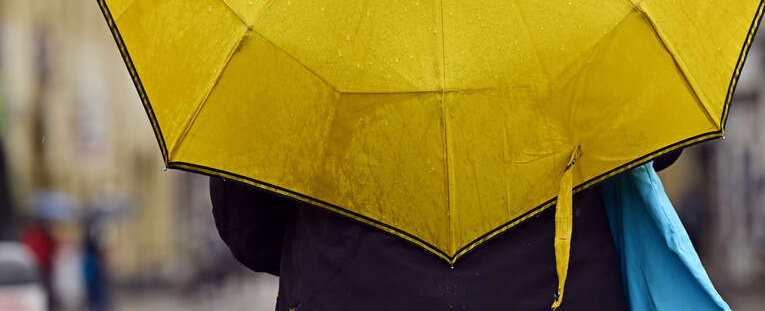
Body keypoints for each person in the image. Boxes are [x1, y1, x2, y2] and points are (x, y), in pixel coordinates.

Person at [210, 151, 681, 311]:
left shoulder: (303, 5)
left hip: (352, 287)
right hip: (558, 286)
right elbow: (657, 139)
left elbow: (251, 231)